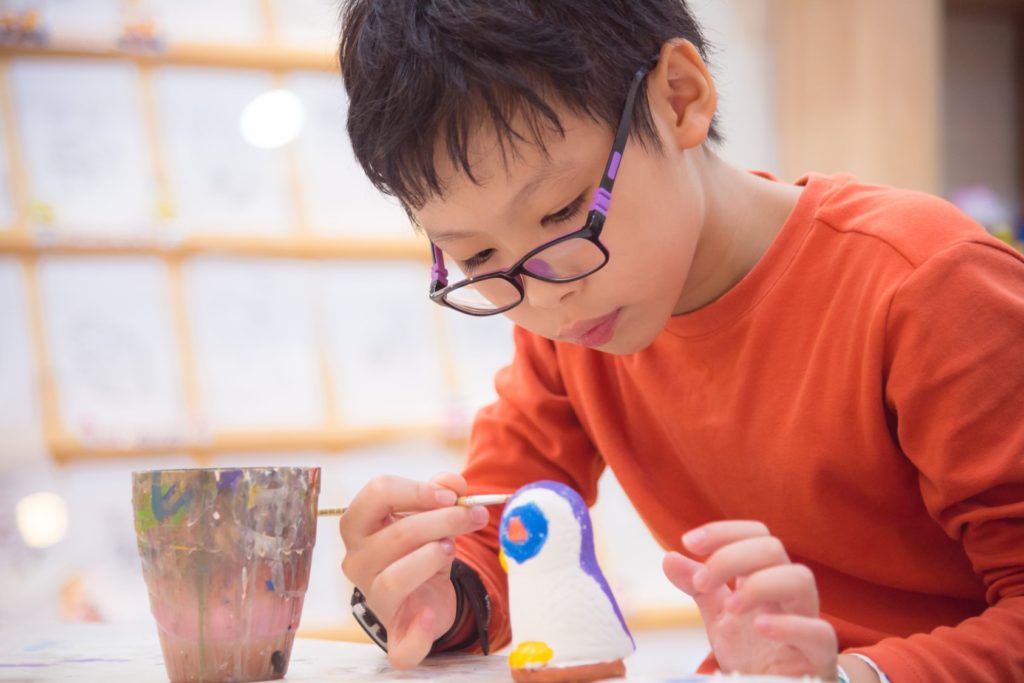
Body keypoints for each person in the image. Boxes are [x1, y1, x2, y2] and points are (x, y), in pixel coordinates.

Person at [333, 1, 1024, 681]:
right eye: (478, 258)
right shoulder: (576, 327)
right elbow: (505, 530)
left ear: (679, 96)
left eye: (564, 211)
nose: (544, 296)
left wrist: (851, 675)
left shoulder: (926, 286)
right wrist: (436, 592)